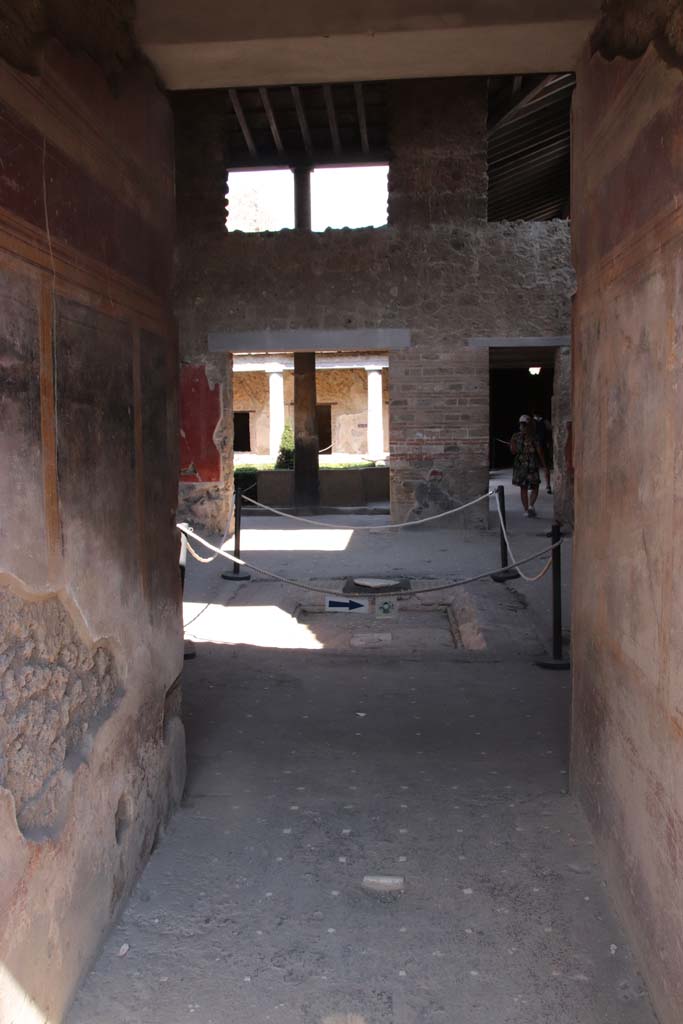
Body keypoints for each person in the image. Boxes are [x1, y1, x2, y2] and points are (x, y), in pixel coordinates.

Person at [510, 414, 546, 517]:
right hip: (531, 464)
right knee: (534, 486)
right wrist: (544, 466)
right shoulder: (534, 437)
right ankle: (530, 506)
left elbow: (513, 451)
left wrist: (513, 444)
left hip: (521, 465)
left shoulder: (516, 436)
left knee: (524, 487)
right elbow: (540, 452)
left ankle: (527, 509)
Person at [532, 412, 553, 494]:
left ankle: (547, 485)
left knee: (543, 466)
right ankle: (547, 485)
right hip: (540, 444)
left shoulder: (534, 422)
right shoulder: (544, 421)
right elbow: (551, 429)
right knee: (545, 466)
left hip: (539, 445)